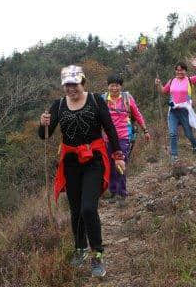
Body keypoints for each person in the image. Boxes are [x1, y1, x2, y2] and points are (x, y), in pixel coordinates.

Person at [38, 65, 122, 278]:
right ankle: (80, 248)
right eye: (67, 85)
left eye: (74, 84)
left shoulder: (95, 100)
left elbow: (110, 128)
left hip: (94, 161)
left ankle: (98, 255)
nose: (70, 88)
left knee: (87, 209)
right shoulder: (58, 105)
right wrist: (43, 124)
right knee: (75, 210)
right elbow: (45, 135)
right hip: (71, 163)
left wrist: (118, 155)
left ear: (82, 82)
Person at [101, 74, 150, 206]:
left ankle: (122, 192)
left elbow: (137, 114)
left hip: (124, 136)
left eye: (117, 85)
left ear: (120, 86)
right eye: (112, 85)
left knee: (120, 163)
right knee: (111, 165)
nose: (114, 88)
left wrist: (145, 130)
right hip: (107, 138)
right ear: (108, 86)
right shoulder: (103, 99)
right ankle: (113, 192)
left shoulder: (127, 99)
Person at [154, 59, 196, 163]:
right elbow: (163, 91)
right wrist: (158, 84)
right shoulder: (172, 81)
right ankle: (174, 155)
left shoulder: (190, 80)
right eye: (177, 70)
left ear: (185, 71)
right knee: (172, 133)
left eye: (181, 70)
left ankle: (195, 146)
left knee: (188, 134)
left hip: (185, 111)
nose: (179, 72)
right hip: (173, 111)